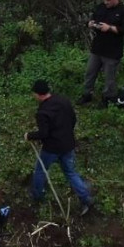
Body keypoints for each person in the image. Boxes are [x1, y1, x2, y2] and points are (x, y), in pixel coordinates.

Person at [25, 80, 95, 215]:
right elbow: (73, 119)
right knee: (70, 172)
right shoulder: (64, 101)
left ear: (38, 95)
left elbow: (43, 133)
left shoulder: (42, 112)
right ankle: (85, 198)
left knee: (40, 170)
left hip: (51, 148)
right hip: (68, 144)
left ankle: (37, 195)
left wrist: (29, 135)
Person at [80, 0, 124, 106]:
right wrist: (91, 23)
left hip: (112, 50)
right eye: (105, 0)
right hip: (97, 47)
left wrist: (109, 28)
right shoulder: (101, 7)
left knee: (109, 76)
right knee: (90, 72)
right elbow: (93, 18)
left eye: (108, 0)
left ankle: (108, 99)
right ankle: (87, 94)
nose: (106, 3)